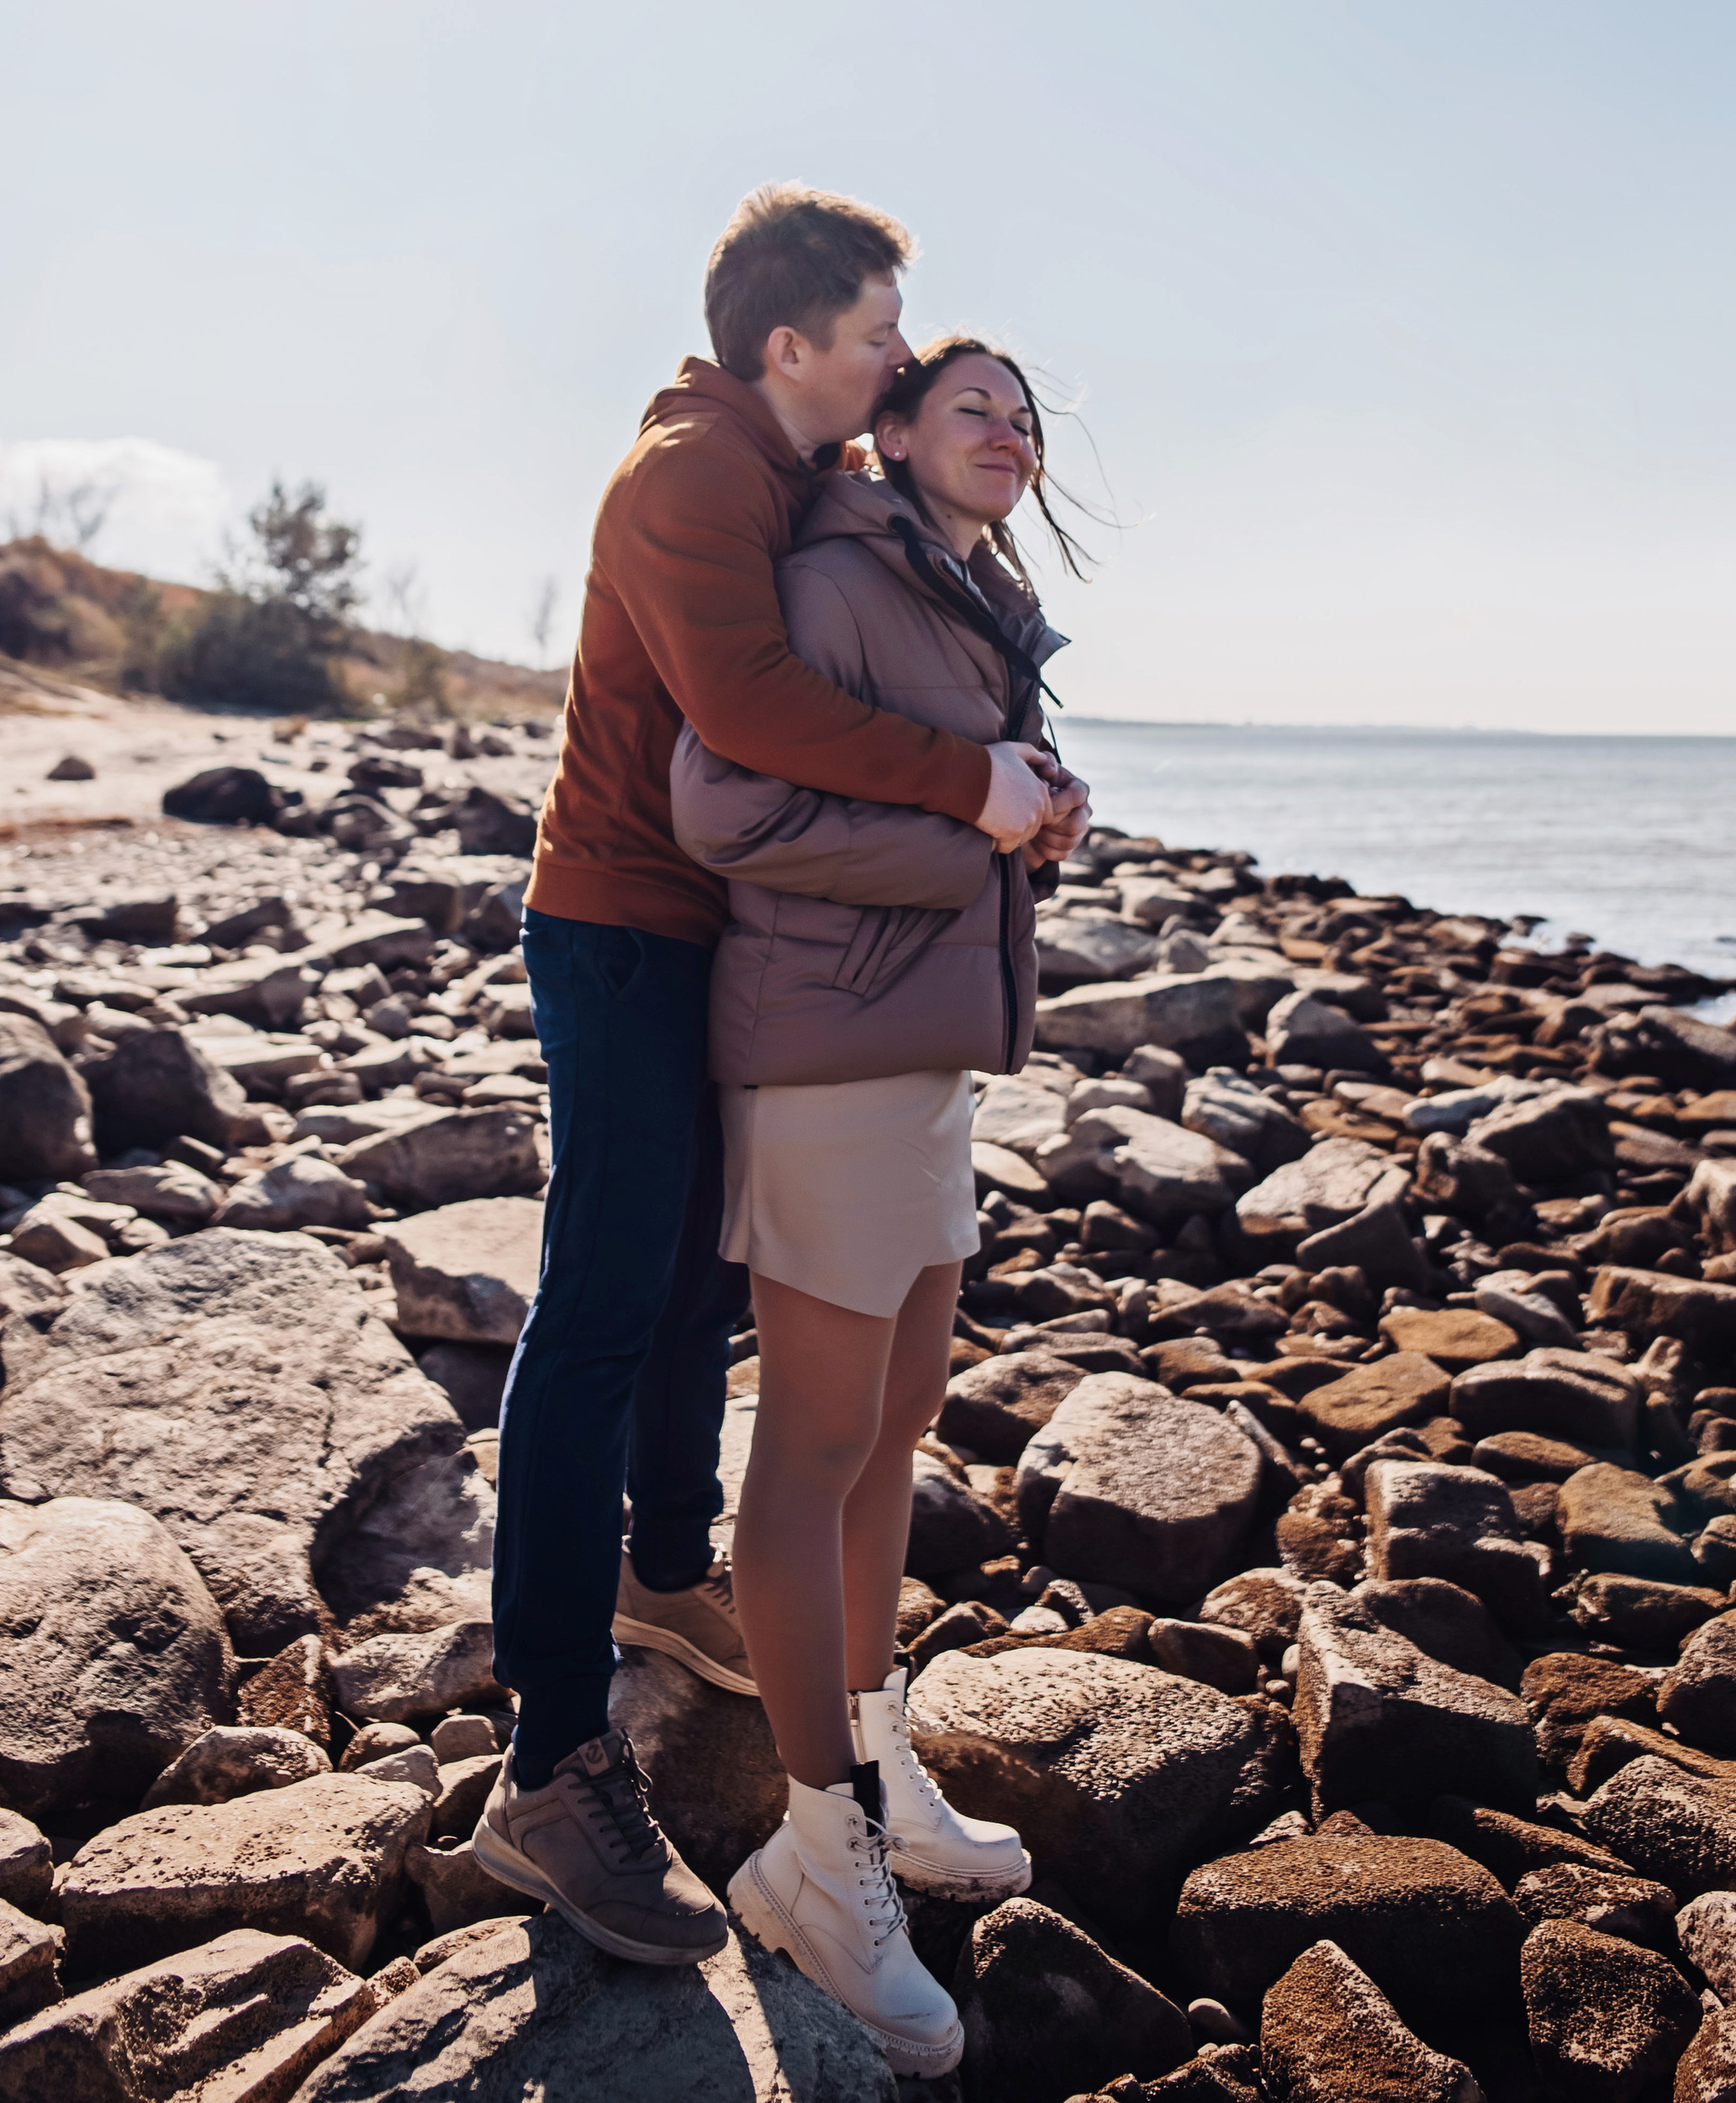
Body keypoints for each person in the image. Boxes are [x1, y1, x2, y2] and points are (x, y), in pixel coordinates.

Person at [472, 191, 1088, 1962]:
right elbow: (741, 721)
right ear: (790, 348)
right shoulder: (692, 473)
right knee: (598, 1307)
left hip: (697, 933)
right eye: (883, 337)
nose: (902, 358)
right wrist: (970, 793)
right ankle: (550, 1756)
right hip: (618, 925)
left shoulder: (787, 480)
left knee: (683, 1295)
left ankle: (669, 1578)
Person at [667, 336, 1086, 2075]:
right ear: (892, 430)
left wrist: (1035, 819)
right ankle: (812, 1854)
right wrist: (973, 836)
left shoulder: (965, 594)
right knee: (815, 1445)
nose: (1008, 432)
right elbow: (726, 803)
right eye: (968, 404)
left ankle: (870, 1753)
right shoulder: (841, 573)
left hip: (918, 1060)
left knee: (897, 1424)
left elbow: (942, 801)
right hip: (828, 1057)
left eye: (1026, 414)